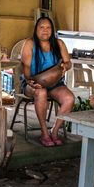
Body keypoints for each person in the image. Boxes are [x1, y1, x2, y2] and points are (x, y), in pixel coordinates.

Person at [20, 17, 75, 147]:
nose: (45, 30)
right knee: (41, 92)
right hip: (32, 83)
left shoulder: (59, 43)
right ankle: (44, 133)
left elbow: (68, 63)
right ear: (36, 29)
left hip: (55, 83)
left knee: (69, 99)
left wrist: (65, 67)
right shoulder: (30, 43)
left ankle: (54, 131)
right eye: (42, 27)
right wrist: (29, 81)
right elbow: (26, 68)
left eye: (48, 27)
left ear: (52, 30)